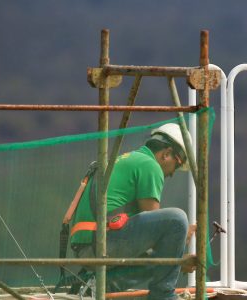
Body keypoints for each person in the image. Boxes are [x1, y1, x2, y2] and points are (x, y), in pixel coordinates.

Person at [70, 123, 196, 300]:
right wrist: (180, 241)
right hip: (100, 241)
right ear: (166, 154)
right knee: (177, 219)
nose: (172, 173)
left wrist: (175, 260)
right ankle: (164, 295)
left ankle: (98, 285)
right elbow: (158, 237)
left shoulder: (129, 160)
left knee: (166, 252)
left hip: (87, 245)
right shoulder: (149, 165)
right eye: (177, 164)